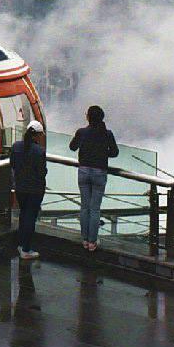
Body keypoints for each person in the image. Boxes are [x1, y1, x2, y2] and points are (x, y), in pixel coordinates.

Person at [69, 106, 119, 252]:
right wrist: (103, 153)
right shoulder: (107, 134)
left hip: (83, 171)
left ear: (88, 117)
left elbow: (72, 147)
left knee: (84, 206)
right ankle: (92, 242)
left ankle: (84, 239)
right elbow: (115, 152)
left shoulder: (82, 132)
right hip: (99, 172)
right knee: (95, 208)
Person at [8, 120, 47, 260]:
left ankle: (21, 243)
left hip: (20, 188)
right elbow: (42, 172)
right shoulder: (39, 151)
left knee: (24, 214)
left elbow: (12, 164)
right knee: (30, 217)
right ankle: (26, 249)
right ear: (36, 136)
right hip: (35, 190)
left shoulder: (16, 146)